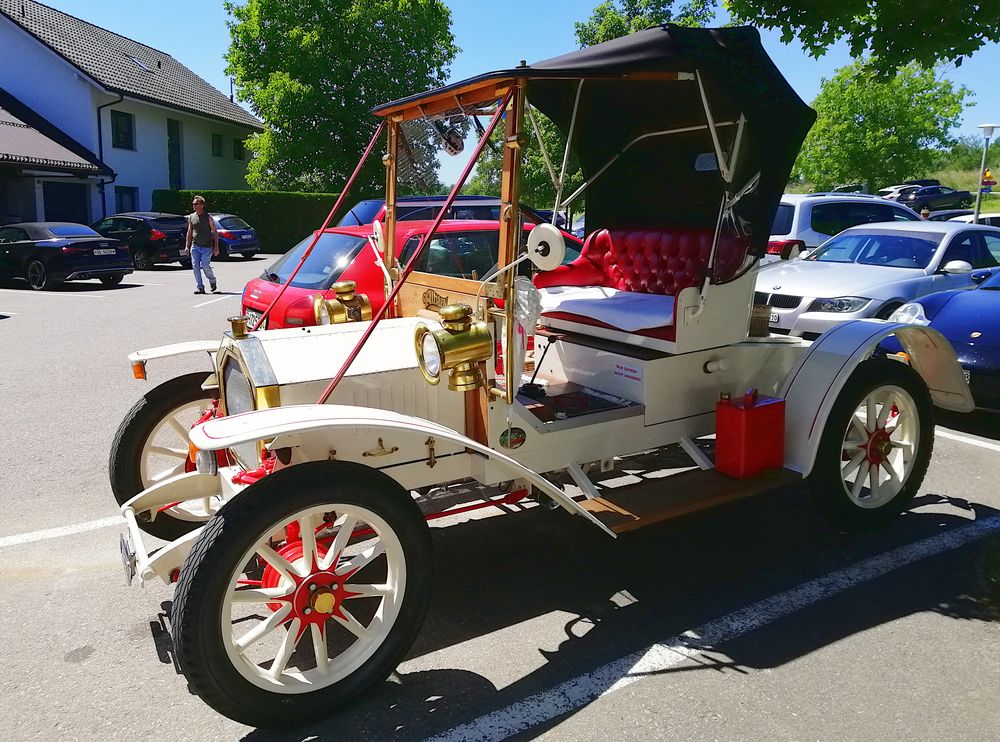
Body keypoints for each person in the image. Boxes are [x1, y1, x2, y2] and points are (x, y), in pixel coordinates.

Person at [184, 195, 219, 294]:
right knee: (195, 266)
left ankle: (212, 281)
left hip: (206, 247)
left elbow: (215, 232)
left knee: (205, 266)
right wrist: (187, 246)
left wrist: (216, 247)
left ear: (202, 205)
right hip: (195, 246)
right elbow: (189, 232)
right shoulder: (191, 217)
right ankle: (200, 287)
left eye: (196, 204)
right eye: (193, 204)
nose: (194, 206)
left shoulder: (208, 218)